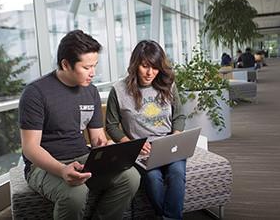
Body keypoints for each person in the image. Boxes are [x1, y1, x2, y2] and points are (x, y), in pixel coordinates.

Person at [18, 30, 140, 220]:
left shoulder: (90, 91)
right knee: (75, 194)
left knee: (131, 178)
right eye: (87, 67)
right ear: (65, 64)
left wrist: (106, 147)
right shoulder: (35, 93)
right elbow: (30, 148)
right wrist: (61, 170)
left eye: (95, 66)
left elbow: (97, 138)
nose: (93, 73)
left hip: (83, 157)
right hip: (43, 166)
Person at [105, 40, 186, 220]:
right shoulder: (119, 90)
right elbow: (111, 125)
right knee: (152, 179)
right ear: (135, 65)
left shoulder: (168, 84)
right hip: (140, 150)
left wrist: (175, 138)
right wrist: (132, 144)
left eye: (155, 67)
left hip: (169, 145)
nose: (150, 73)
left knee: (177, 173)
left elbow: (179, 116)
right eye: (145, 66)